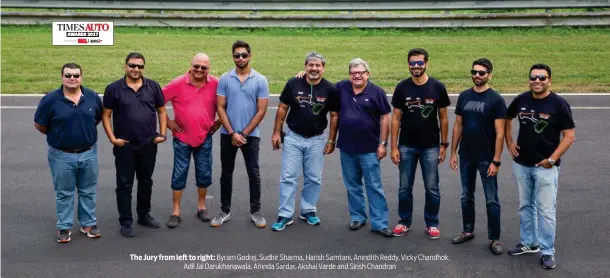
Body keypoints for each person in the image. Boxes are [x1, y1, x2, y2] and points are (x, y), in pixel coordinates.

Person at [505, 64, 575, 269]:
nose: (537, 81)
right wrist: (509, 142)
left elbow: (569, 136)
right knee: (525, 206)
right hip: (522, 163)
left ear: (549, 81)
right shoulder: (521, 100)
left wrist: (552, 159)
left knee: (545, 210)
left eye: (542, 78)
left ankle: (547, 251)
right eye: (533, 77)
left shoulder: (559, 104)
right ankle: (529, 243)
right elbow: (507, 118)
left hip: (546, 167)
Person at [269, 51, 339, 231]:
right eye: (311, 65)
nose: (314, 68)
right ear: (305, 67)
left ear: (323, 68)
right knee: (288, 177)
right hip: (293, 137)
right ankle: (285, 214)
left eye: (318, 65)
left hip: (317, 140)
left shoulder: (330, 89)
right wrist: (277, 132)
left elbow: (334, 116)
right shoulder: (293, 83)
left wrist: (331, 140)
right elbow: (282, 108)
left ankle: (308, 210)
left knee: (314, 178)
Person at [34, 63, 103, 243]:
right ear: (62, 77)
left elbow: (96, 119)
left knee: (88, 191)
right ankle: (64, 226)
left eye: (76, 75)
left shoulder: (92, 97)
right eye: (68, 75)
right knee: (64, 193)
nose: (72, 78)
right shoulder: (50, 99)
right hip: (61, 155)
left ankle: (88, 223)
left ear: (81, 77)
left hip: (88, 153)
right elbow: (40, 124)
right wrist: (59, 137)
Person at [102, 52, 168, 237]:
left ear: (143, 68)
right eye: (132, 65)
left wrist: (162, 134)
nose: (135, 69)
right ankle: (126, 221)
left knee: (146, 181)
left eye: (139, 66)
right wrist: (112, 138)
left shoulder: (153, 86)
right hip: (125, 146)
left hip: (148, 144)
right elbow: (106, 115)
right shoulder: (114, 88)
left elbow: (162, 111)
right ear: (125, 66)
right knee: (124, 184)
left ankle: (144, 215)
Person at [327, 58, 393, 237]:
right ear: (349, 75)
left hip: (370, 148)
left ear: (367, 74)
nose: (357, 76)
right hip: (347, 147)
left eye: (360, 73)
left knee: (374, 186)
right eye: (353, 73)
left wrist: (383, 143)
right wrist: (303, 76)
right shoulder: (341, 88)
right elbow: (320, 85)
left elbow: (385, 117)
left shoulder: (376, 92)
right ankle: (358, 217)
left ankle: (379, 223)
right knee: (352, 185)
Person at [389, 48, 450, 239]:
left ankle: (432, 223)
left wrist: (444, 145)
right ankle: (404, 221)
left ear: (426, 64)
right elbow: (396, 119)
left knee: (432, 187)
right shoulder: (402, 87)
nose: (416, 66)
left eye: (419, 63)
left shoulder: (437, 87)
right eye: (412, 63)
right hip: (406, 146)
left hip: (431, 146)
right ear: (408, 64)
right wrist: (393, 147)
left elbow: (444, 118)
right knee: (404, 187)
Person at [449, 58, 507, 255]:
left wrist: (496, 160)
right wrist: (453, 153)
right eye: (474, 72)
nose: (477, 76)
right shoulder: (464, 96)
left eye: (482, 73)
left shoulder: (496, 100)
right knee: (466, 196)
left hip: (486, 157)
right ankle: (467, 230)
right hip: (466, 155)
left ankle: (494, 238)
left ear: (490, 75)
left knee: (491, 199)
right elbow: (458, 125)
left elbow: (500, 132)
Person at [213, 40, 269, 228]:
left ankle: (256, 212)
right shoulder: (225, 79)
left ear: (250, 56)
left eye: (244, 55)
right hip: (227, 134)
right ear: (233, 57)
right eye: (237, 55)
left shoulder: (260, 80)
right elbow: (220, 107)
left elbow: (261, 111)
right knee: (226, 173)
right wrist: (232, 133)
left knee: (253, 173)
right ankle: (224, 211)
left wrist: (243, 133)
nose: (241, 58)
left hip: (250, 136)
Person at [162, 53, 222, 228]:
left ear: (208, 69)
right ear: (191, 65)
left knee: (204, 173)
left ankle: (201, 207)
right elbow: (156, 101)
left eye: (204, 67)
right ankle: (175, 211)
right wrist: (168, 122)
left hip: (204, 137)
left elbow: (229, 102)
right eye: (197, 66)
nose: (199, 70)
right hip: (182, 138)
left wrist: (219, 122)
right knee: (179, 174)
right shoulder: (177, 83)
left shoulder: (216, 84)